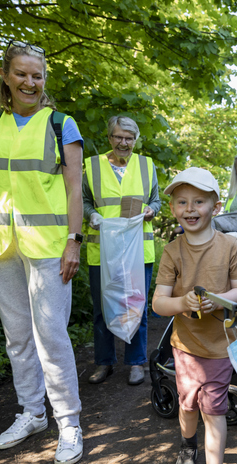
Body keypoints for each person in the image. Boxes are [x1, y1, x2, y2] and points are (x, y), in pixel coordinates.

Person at [0, 40, 83, 464]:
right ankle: (32, 413)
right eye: (21, 73)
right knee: (18, 337)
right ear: (6, 76)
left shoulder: (61, 125)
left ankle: (69, 423)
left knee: (52, 337)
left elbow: (75, 188)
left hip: (48, 248)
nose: (30, 81)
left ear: (44, 80)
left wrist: (74, 241)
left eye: (37, 75)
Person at [152, 167, 237, 464]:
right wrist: (182, 303)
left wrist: (219, 299)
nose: (190, 209)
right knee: (188, 403)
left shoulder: (230, 247)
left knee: (214, 408)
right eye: (182, 202)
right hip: (185, 348)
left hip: (221, 346)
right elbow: (158, 303)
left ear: (215, 206)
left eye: (198, 202)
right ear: (172, 208)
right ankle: (187, 444)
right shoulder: (171, 252)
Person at [82, 116, 161, 386]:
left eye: (129, 138)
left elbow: (156, 200)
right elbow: (81, 199)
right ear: (109, 138)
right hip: (102, 250)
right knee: (102, 309)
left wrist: (152, 210)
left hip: (138, 249)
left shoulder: (147, 165)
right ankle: (104, 363)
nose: (123, 143)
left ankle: (136, 363)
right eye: (118, 137)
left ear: (135, 140)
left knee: (136, 307)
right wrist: (91, 214)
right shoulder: (92, 166)